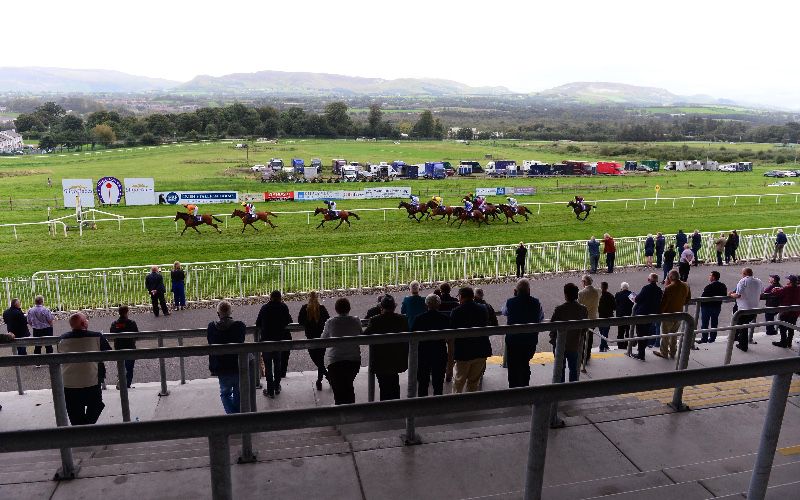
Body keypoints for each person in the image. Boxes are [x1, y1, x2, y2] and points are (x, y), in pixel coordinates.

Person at [58, 313, 111, 425]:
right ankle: (87, 428)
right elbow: (108, 353)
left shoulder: (62, 339)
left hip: (69, 383)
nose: (87, 321)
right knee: (96, 405)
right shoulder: (97, 336)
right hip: (92, 380)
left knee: (74, 412)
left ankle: (80, 431)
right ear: (83, 323)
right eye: (86, 319)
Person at [363, 295, 408, 401]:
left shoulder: (375, 320)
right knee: (394, 383)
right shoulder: (402, 319)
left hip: (380, 360)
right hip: (397, 359)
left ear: (381, 307)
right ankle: (395, 405)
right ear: (394, 307)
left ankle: (386, 407)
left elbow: (364, 337)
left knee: (384, 387)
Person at [206, 301, 246, 414]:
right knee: (238, 392)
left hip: (220, 366)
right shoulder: (240, 326)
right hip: (237, 365)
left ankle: (232, 415)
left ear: (218, 313)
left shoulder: (211, 327)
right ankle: (238, 414)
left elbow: (210, 341)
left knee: (225, 393)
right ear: (230, 312)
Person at [322, 298, 363, 405]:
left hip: (335, 361)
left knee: (338, 390)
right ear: (349, 308)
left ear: (336, 309)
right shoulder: (356, 320)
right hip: (353, 360)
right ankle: (350, 408)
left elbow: (323, 340)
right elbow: (361, 336)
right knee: (348, 385)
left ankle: (341, 409)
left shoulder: (330, 322)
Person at [503, 279, 543, 388]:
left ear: (516, 291)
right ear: (529, 290)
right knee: (525, 364)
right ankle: (525, 387)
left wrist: (514, 297)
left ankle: (513, 389)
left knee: (513, 367)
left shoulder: (510, 302)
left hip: (513, 341)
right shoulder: (536, 302)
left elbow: (504, 312)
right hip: (530, 340)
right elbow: (540, 318)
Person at [450, 287, 491, 393]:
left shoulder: (456, 312)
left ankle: (455, 402)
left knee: (458, 382)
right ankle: (470, 401)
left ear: (461, 297)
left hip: (463, 353)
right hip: (481, 350)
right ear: (472, 296)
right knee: (474, 383)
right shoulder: (483, 309)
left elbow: (452, 330)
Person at [255, 290, 293, 398]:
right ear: (280, 298)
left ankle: (270, 390)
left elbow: (258, 323)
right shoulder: (283, 307)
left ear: (270, 297)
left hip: (266, 341)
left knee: (268, 367)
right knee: (277, 364)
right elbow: (289, 321)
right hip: (279, 341)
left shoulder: (264, 308)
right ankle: (277, 387)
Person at [412, 294, 450, 396]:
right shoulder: (445, 318)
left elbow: (413, 337)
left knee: (423, 382)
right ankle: (437, 401)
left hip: (423, 353)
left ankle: (422, 401)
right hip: (439, 352)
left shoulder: (419, 318)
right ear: (439, 304)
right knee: (438, 382)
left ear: (426, 304)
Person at [549, 283, 588, 382]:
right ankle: (572, 387)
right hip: (575, 344)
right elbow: (585, 328)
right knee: (574, 369)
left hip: (560, 344)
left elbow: (552, 326)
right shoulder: (583, 309)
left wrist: (552, 338)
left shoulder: (559, 309)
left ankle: (561, 386)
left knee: (560, 369)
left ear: (565, 294)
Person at [654, 270, 691, 359]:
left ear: (670, 277)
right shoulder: (686, 285)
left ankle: (664, 353)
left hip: (668, 315)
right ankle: (673, 352)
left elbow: (664, 303)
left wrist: (659, 314)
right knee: (674, 335)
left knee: (665, 335)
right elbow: (687, 300)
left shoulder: (669, 288)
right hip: (679, 314)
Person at [298, 291, 330, 391]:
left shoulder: (305, 308)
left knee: (317, 361)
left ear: (309, 298)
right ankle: (321, 380)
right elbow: (328, 320)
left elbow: (300, 321)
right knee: (320, 359)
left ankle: (327, 378)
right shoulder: (322, 308)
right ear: (317, 298)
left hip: (310, 338)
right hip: (321, 338)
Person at [729, 268, 763, 352]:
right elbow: (761, 293)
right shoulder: (758, 281)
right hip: (754, 309)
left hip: (743, 309)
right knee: (745, 326)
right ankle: (742, 342)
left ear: (744, 274)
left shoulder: (743, 281)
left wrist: (730, 294)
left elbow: (738, 295)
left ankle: (743, 345)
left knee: (742, 328)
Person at [632, 274, 663, 361]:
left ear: (648, 280)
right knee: (646, 332)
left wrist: (634, 298)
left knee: (640, 333)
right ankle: (642, 350)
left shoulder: (646, 288)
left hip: (642, 314)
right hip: (652, 314)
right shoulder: (659, 290)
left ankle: (641, 354)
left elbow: (637, 299)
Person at [110, 305, 138, 389]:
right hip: (130, 348)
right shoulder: (131, 323)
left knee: (120, 366)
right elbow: (137, 335)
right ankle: (127, 384)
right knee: (129, 368)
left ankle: (121, 381)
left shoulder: (115, 324)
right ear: (127, 312)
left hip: (118, 348)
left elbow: (111, 335)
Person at [770, 275, 800, 348]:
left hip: (786, 311)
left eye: (788, 280)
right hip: (795, 312)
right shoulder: (798, 288)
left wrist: (775, 289)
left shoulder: (787, 288)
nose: (787, 281)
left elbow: (775, 292)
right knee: (791, 327)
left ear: (790, 281)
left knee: (782, 327)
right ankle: (789, 342)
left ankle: (783, 342)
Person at [438, 281, 459, 382]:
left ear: (441, 291)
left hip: (440, 331)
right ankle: (449, 374)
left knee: (440, 352)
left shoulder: (438, 301)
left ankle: (440, 372)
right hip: (451, 330)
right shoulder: (455, 302)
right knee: (451, 354)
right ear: (450, 290)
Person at [699, 271, 727, 344]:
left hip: (707, 307)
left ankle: (704, 338)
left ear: (713, 277)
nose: (709, 277)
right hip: (717, 306)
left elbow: (703, 297)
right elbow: (724, 295)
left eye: (710, 275)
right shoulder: (722, 286)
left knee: (705, 323)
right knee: (714, 322)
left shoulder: (709, 287)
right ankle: (712, 338)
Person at [578, 275, 600, 368]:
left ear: (584, 282)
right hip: (593, 318)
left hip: (584, 319)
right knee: (590, 337)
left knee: (582, 339)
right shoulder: (597, 291)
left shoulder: (581, 293)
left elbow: (578, 306)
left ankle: (582, 357)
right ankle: (587, 355)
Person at [614, 282, 634, 349]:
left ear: (621, 288)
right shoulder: (631, 294)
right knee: (628, 331)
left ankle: (620, 345)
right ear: (628, 288)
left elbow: (615, 304)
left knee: (620, 331)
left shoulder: (618, 294)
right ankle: (626, 345)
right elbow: (635, 304)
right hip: (629, 315)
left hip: (620, 315)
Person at [598, 282, 615, 352]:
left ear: (601, 287)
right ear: (607, 287)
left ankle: (603, 346)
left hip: (600, 316)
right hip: (608, 316)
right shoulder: (610, 296)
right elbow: (614, 307)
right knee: (605, 332)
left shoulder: (598, 296)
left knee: (602, 332)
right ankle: (603, 346)